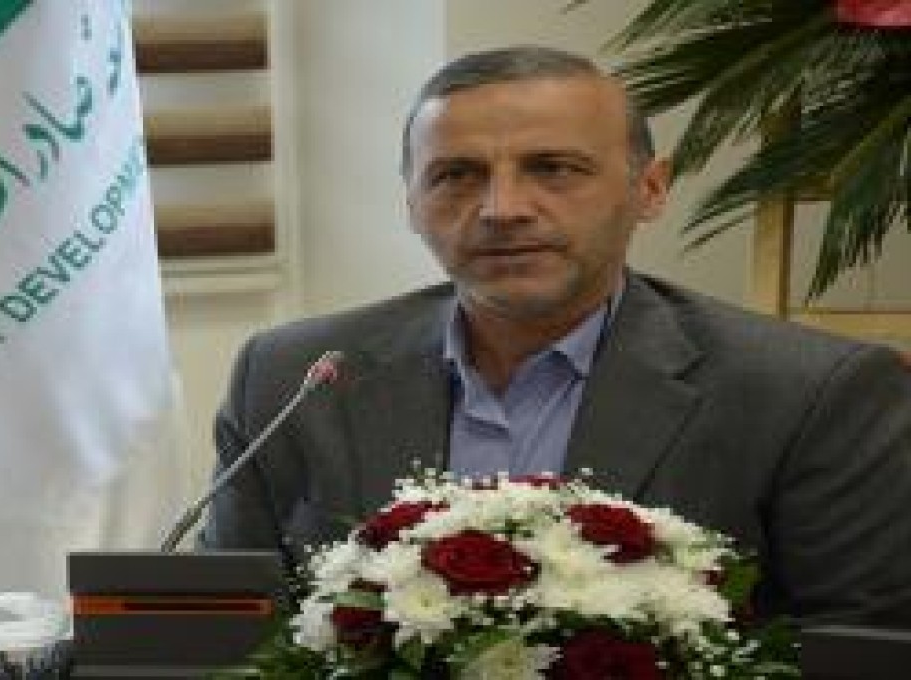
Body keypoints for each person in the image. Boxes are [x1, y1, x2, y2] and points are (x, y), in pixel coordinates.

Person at [199, 46, 911, 628]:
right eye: (456, 175)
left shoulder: (808, 394)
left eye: (554, 169)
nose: (502, 209)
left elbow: (860, 649)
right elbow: (223, 629)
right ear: (411, 203)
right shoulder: (294, 377)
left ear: (650, 190)